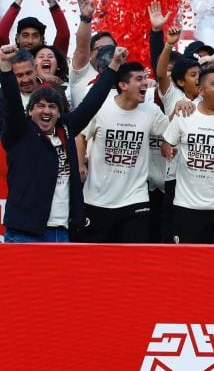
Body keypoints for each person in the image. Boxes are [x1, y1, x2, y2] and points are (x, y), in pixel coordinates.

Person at [0, 43, 126, 242]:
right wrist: (6, 69)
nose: (46, 111)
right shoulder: (20, 132)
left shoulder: (65, 128)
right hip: (26, 232)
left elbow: (91, 103)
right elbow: (11, 102)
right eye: (40, 106)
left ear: (59, 113)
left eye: (52, 106)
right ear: (30, 111)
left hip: (62, 230)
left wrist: (114, 67)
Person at [80, 61, 171, 243]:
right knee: (93, 259)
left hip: (135, 198)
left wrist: (168, 140)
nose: (145, 82)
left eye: (145, 78)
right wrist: (80, 163)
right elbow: (81, 136)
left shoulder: (151, 111)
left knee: (132, 260)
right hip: (97, 198)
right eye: (139, 79)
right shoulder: (101, 106)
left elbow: (170, 132)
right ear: (122, 85)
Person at [161, 65, 214, 245]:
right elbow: (167, 143)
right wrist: (168, 149)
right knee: (186, 264)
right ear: (202, 90)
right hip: (186, 206)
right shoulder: (185, 112)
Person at [1, 0, 70, 53]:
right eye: (25, 35)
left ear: (42, 39)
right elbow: (1, 35)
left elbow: (64, 35)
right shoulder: (8, 59)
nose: (30, 41)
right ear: (18, 38)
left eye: (35, 36)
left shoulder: (51, 61)